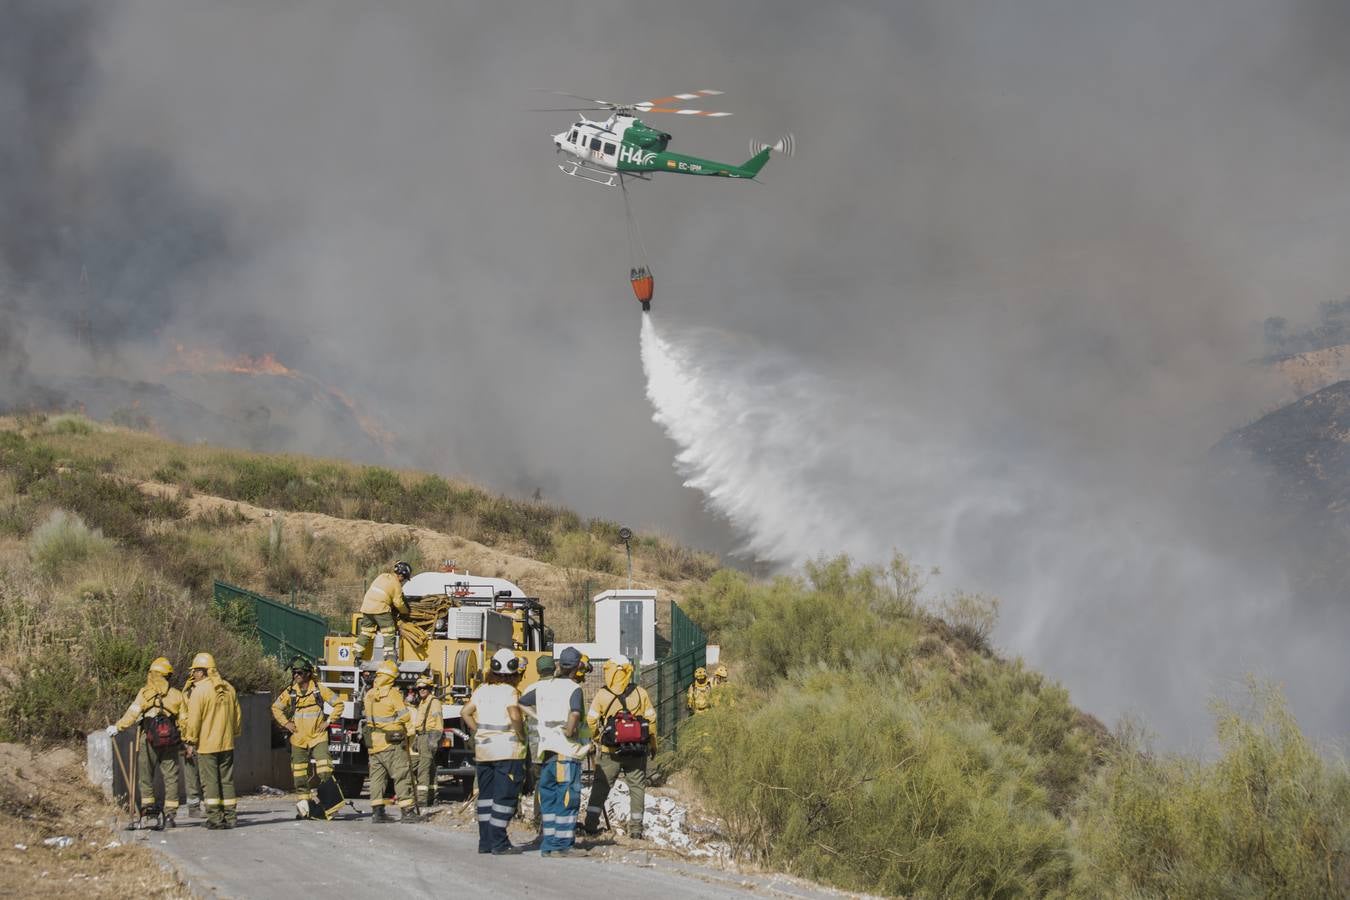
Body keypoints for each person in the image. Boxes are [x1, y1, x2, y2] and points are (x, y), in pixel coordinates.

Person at [519, 648, 589, 857]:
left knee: (548, 797)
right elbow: (575, 713)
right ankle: (562, 845)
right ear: (576, 668)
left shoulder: (543, 687)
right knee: (567, 798)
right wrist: (569, 729)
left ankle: (548, 844)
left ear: (559, 665)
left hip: (546, 752)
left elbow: (521, 703)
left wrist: (538, 717)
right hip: (565, 752)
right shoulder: (574, 688)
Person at [461, 648, 528, 855]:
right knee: (504, 797)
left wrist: (479, 729)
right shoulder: (510, 691)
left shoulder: (481, 689)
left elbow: (465, 712)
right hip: (507, 751)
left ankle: (485, 842)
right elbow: (515, 716)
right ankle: (499, 842)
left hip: (484, 750)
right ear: (514, 672)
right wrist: (522, 735)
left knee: (487, 797)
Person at [582, 654, 656, 840]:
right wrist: (653, 744)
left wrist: (596, 738)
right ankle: (636, 830)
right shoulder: (641, 692)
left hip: (610, 752)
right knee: (637, 788)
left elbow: (590, 721)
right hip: (636, 751)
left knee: (600, 786)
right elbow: (652, 720)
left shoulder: (602, 694)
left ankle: (590, 825)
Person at [107, 657, 186, 827]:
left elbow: (132, 714)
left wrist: (118, 727)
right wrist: (185, 740)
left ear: (152, 674)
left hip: (147, 739)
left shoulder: (144, 694)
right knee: (171, 776)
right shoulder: (177, 695)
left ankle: (148, 810)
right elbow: (185, 720)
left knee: (145, 775)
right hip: (170, 740)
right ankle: (171, 815)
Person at [271, 656, 340, 820]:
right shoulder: (291, 692)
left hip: (318, 737)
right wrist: (286, 723)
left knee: (325, 769)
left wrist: (329, 721)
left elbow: (339, 704)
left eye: (299, 673)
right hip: (299, 739)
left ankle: (331, 806)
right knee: (299, 775)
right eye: (294, 673)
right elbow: (276, 708)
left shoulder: (319, 690)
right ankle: (306, 809)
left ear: (308, 674)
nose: (296, 676)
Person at [181, 652, 242, 830]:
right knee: (227, 780)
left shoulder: (199, 691)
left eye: (195, 671)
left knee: (211, 782)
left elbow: (193, 720)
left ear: (204, 671)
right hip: (227, 743)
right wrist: (234, 733)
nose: (193, 675)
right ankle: (230, 817)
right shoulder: (228, 688)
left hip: (207, 745)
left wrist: (190, 741)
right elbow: (237, 715)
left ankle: (215, 819)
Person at [363, 660, 423, 823]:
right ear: (390, 678)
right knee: (402, 775)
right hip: (392, 743)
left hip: (374, 743)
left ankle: (377, 812)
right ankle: (407, 812)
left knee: (376, 778)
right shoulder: (392, 694)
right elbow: (404, 716)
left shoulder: (369, 694)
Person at [354, 561, 412, 662]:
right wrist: (406, 611)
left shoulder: (382, 576)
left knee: (366, 631)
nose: (403, 581)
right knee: (388, 631)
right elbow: (398, 603)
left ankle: (357, 655)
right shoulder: (396, 584)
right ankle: (389, 657)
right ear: (401, 575)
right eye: (404, 578)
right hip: (380, 609)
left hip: (367, 608)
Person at [523, 654, 555, 830]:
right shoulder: (560, 688)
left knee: (540, 784)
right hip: (556, 744)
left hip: (536, 747)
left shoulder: (530, 689)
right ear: (554, 669)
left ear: (537, 670)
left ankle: (538, 820)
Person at [409, 675, 443, 811]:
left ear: (429, 688)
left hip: (429, 736)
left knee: (423, 768)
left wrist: (434, 740)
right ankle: (433, 796)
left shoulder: (433, 702)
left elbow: (438, 723)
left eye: (424, 688)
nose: (421, 690)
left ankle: (422, 799)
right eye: (419, 688)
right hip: (422, 736)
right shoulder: (423, 702)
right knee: (430, 768)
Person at [180, 669, 203, 817]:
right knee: (192, 775)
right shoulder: (189, 693)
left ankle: (211, 806)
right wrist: (188, 741)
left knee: (204, 774)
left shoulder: (191, 692)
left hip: (202, 737)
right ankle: (194, 808)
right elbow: (185, 719)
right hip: (193, 738)